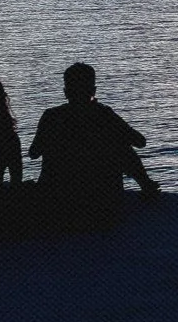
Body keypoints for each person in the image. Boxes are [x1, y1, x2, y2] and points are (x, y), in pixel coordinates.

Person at [28, 62, 160, 223]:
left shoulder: (51, 117)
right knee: (121, 146)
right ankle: (146, 186)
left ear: (65, 92)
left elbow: (33, 153)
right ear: (93, 91)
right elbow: (140, 142)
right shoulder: (104, 115)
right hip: (101, 207)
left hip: (55, 205)